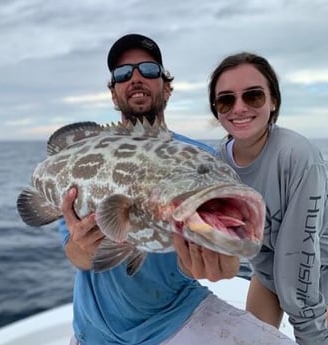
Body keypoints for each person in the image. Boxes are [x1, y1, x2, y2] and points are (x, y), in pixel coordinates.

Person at [60, 34, 296, 345]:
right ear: (114, 95)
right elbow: (76, 255)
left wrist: (221, 262)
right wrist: (82, 247)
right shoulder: (87, 162)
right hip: (92, 333)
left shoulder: (204, 161)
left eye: (148, 69)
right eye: (122, 74)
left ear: (167, 87)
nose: (135, 78)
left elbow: (227, 250)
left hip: (177, 316)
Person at [208, 51, 328, 345]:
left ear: (273, 100)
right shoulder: (217, 165)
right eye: (226, 100)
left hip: (327, 264)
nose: (239, 108)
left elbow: (298, 254)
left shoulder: (297, 155)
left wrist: (313, 336)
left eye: (253, 96)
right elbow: (256, 245)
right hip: (271, 264)